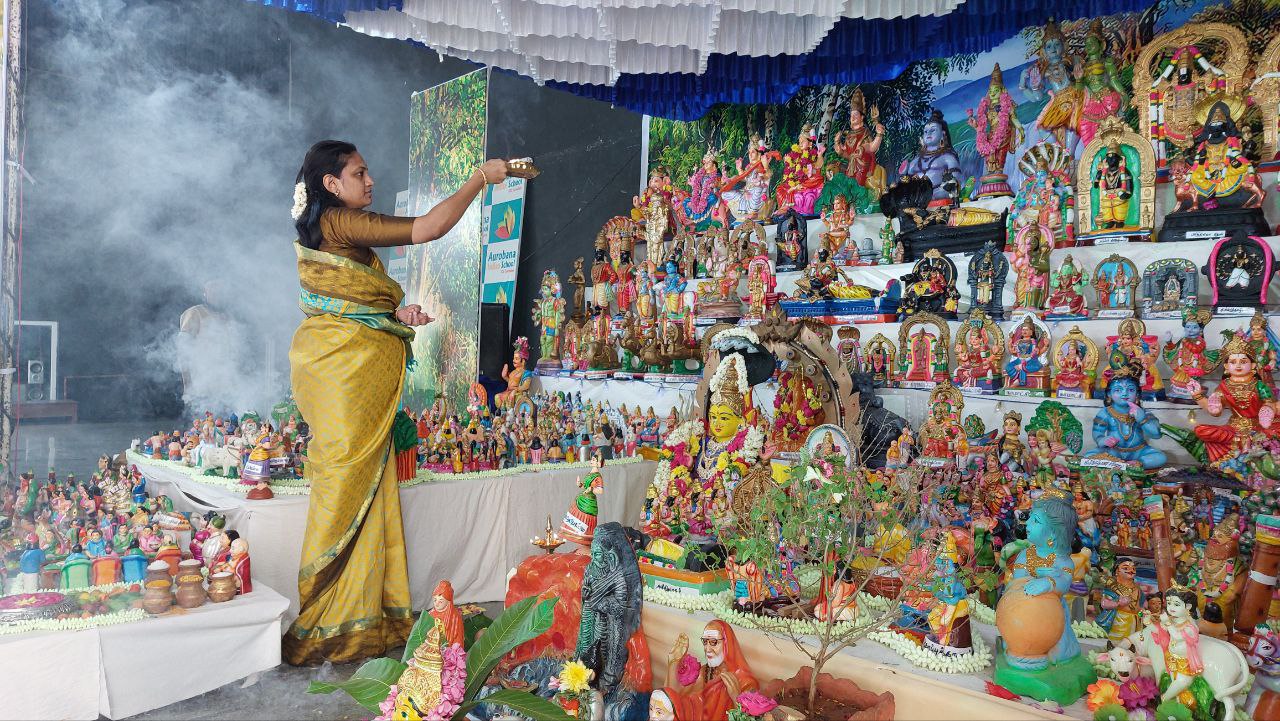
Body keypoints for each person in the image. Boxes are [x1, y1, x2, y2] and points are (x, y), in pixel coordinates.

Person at [284, 140, 507, 666]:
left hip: (345, 370)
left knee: (361, 485)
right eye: (359, 173)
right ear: (331, 184)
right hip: (341, 376)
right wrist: (480, 179)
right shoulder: (340, 222)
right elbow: (428, 228)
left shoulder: (335, 229)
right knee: (344, 486)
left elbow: (350, 308)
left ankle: (362, 616)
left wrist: (394, 317)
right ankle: (327, 619)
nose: (370, 181)